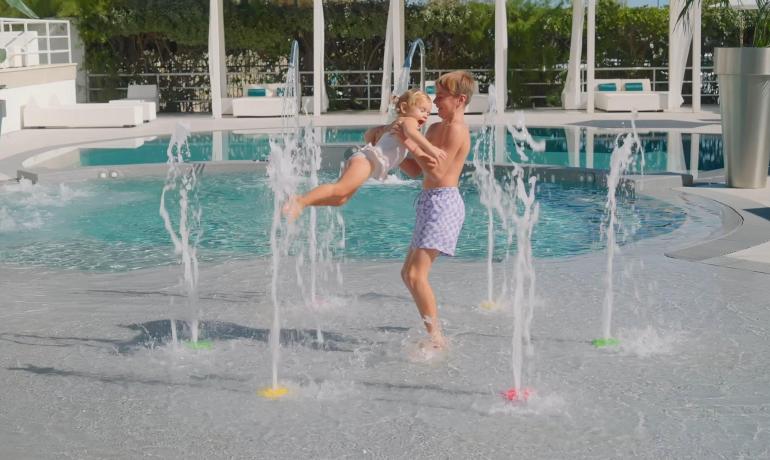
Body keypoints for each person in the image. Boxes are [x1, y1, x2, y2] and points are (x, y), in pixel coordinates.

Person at [390, 71, 475, 350]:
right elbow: (417, 170)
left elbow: (437, 172)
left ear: (460, 99)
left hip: (445, 204)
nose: (435, 101)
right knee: (407, 274)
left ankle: (437, 338)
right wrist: (393, 155)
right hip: (429, 202)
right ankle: (434, 332)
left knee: (416, 275)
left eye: (441, 96)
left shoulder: (457, 130)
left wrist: (408, 141)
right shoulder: (435, 128)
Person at [282, 90, 445, 221]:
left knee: (340, 199)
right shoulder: (409, 121)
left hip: (365, 161)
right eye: (422, 110)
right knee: (340, 189)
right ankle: (300, 202)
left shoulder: (395, 126)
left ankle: (304, 202)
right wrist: (432, 149)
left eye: (428, 113)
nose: (425, 115)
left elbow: (369, 136)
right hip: (365, 162)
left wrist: (385, 136)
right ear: (404, 108)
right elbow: (410, 132)